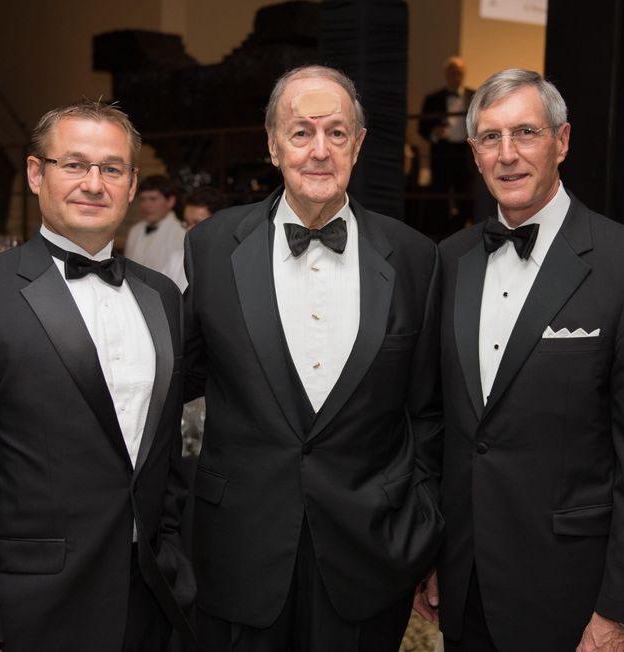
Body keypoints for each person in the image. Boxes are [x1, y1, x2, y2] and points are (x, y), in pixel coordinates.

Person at [0, 99, 194, 652]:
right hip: (32, 608)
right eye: (74, 164)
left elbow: (163, 453)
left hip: (149, 599)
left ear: (132, 184)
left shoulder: (162, 297)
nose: (93, 183)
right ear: (37, 173)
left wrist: (177, 562)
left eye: (111, 168)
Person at [417, 69, 624, 652]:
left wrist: (621, 609)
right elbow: (436, 426)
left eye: (526, 133)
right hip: (464, 588)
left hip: (574, 598)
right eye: (490, 138)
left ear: (562, 141)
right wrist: (431, 554)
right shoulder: (451, 259)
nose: (508, 155)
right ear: (473, 153)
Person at [184, 64, 443, 651]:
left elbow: (429, 410)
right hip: (239, 549)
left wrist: (422, 529)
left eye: (336, 132)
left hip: (368, 556)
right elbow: (171, 377)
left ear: (359, 143)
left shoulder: (414, 257)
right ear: (273, 145)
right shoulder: (212, 247)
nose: (319, 150)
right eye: (301, 132)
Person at [420, 57, 478, 232]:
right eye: (452, 72)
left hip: (466, 152)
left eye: (459, 72)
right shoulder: (432, 99)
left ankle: (464, 230)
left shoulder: (474, 97)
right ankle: (440, 234)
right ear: (446, 75)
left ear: (464, 74)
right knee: (440, 195)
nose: (456, 76)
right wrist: (434, 133)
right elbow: (422, 127)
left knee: (467, 194)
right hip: (442, 152)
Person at [125, 174, 188, 290]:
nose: (147, 205)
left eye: (153, 199)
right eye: (143, 199)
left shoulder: (181, 233)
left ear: (170, 201)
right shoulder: (134, 230)